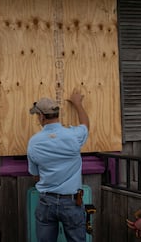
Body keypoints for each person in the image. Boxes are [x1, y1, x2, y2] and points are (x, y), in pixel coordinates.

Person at [27, 92, 89, 242]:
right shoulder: (74, 136)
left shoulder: (34, 143)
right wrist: (78, 104)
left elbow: (35, 175)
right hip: (72, 202)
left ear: (41, 117)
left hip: (47, 201)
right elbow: (85, 126)